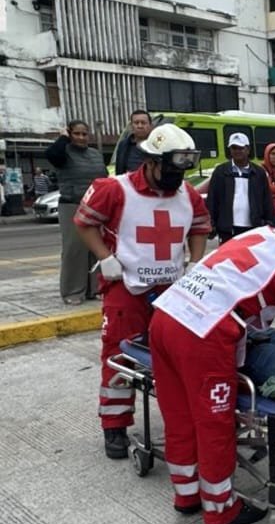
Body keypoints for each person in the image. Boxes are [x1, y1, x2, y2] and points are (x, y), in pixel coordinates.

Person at [148, 214, 275, 524]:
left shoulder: (265, 235)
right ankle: (220, 509)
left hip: (166, 317)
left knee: (179, 415)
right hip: (203, 333)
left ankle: (186, 495)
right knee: (215, 422)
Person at [73, 124, 211, 459]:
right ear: (150, 161)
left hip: (171, 290)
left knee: (173, 357)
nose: (176, 176)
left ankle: (177, 416)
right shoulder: (114, 189)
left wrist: (195, 262)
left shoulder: (187, 194)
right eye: (171, 168)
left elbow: (199, 227)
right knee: (119, 356)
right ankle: (115, 424)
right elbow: (84, 222)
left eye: (182, 170)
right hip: (127, 289)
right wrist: (105, 258)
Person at [46, 120, 108, 304]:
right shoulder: (63, 153)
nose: (81, 137)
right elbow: (51, 154)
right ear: (70, 134)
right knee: (75, 249)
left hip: (95, 206)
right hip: (72, 205)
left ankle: (95, 289)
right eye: (77, 134)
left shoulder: (95, 154)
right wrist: (63, 138)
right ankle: (73, 291)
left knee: (96, 248)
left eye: (84, 134)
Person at [205, 132, 275, 241]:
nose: (237, 151)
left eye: (241, 148)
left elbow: (266, 200)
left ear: (248, 149)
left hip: (253, 228)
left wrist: (269, 222)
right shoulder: (220, 171)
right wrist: (211, 224)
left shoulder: (259, 173)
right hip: (227, 229)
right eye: (234, 148)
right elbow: (212, 199)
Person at [114, 109, 154, 174]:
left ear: (151, 126)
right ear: (131, 126)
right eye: (136, 123)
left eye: (143, 123)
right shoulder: (123, 145)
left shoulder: (157, 145)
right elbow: (119, 169)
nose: (140, 126)